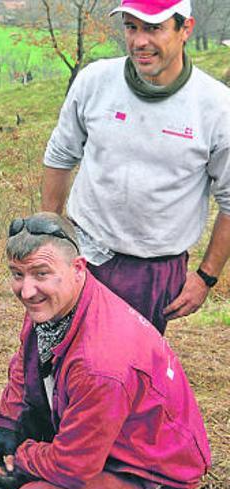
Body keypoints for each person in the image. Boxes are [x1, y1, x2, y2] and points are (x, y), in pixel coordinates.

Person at [0, 212, 210, 489]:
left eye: (41, 273)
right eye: (17, 274)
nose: (27, 291)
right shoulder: (56, 302)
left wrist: (20, 455)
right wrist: (7, 426)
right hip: (109, 441)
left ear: (79, 267)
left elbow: (72, 469)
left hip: (151, 470)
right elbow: (25, 362)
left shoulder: (99, 363)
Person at [40, 0, 230, 334]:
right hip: (81, 253)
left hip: (152, 272)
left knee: (125, 375)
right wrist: (49, 239)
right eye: (131, 26)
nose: (139, 41)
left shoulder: (216, 107)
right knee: (49, 361)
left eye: (153, 28)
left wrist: (205, 277)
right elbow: (60, 155)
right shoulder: (95, 81)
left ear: (186, 29)